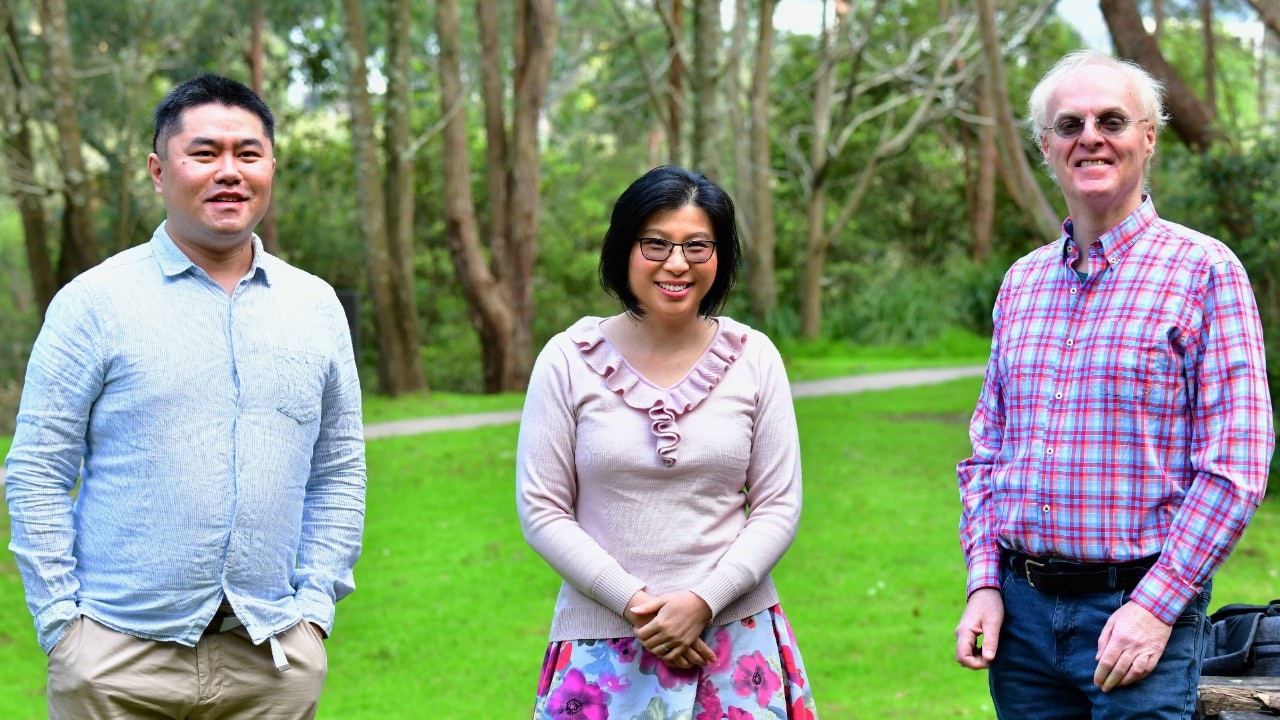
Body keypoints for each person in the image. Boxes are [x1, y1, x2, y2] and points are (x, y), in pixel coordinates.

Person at [4, 74, 366, 719]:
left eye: (248, 154)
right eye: (204, 154)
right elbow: (37, 469)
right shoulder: (93, 304)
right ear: (158, 170)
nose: (229, 171)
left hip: (271, 661)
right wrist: (64, 626)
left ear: (270, 167)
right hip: (115, 663)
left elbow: (338, 470)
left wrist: (314, 612)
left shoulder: (315, 308)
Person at [954, 50, 1273, 719]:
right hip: (1022, 622)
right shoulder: (1021, 283)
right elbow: (987, 454)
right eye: (1069, 124)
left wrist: (1156, 607)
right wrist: (984, 583)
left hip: (1136, 611)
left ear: (1148, 136)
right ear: (1047, 146)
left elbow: (1236, 465)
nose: (1089, 136)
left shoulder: (1204, 271)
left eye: (1112, 120)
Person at [516, 165, 819, 719]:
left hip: (735, 643)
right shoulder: (567, 360)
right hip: (600, 651)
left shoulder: (755, 358)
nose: (676, 263)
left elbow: (778, 505)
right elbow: (542, 509)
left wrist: (703, 601)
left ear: (720, 257)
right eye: (655, 243)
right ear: (623, 249)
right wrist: (638, 606)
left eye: (697, 246)